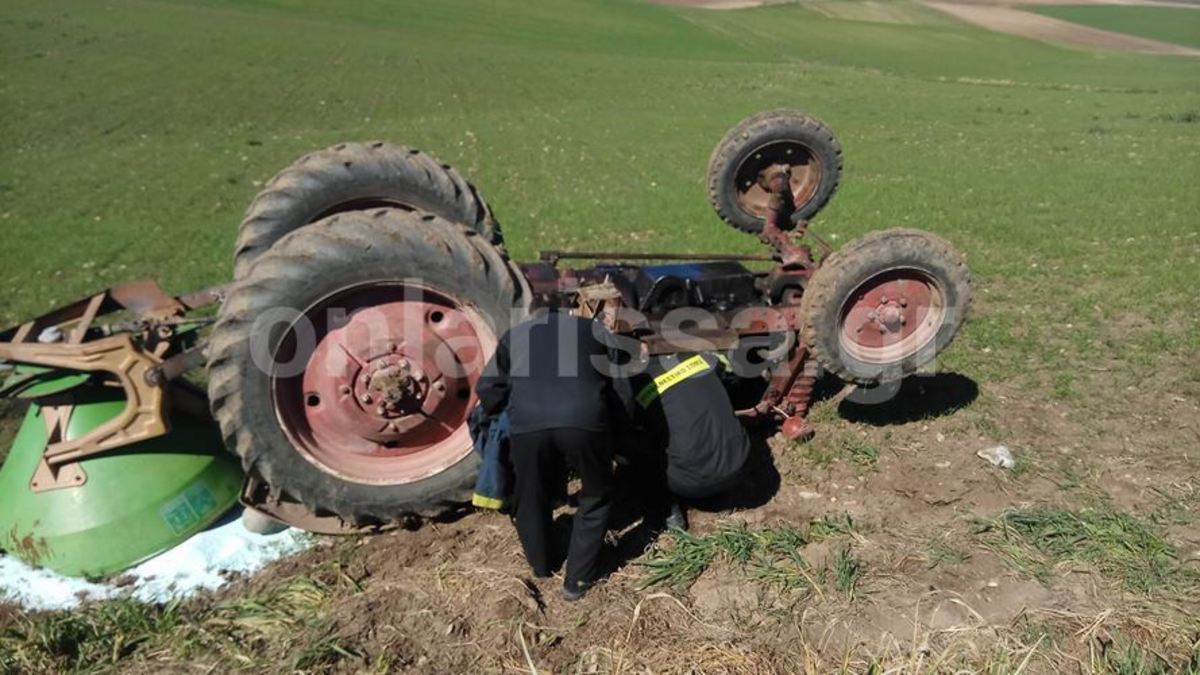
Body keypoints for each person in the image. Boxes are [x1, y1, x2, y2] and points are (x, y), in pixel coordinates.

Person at [475, 307, 631, 601]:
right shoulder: (595, 330)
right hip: (584, 420)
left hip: (527, 426)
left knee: (529, 493)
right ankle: (577, 581)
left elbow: (488, 389)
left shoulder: (514, 336)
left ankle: (542, 564)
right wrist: (620, 435)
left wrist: (503, 415)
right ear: (571, 314)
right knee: (596, 494)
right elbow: (621, 389)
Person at [633, 351, 751, 531]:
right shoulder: (701, 358)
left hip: (690, 484)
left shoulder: (639, 383)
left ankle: (669, 511)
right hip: (740, 464)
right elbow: (730, 377)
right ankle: (722, 496)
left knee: (634, 449)